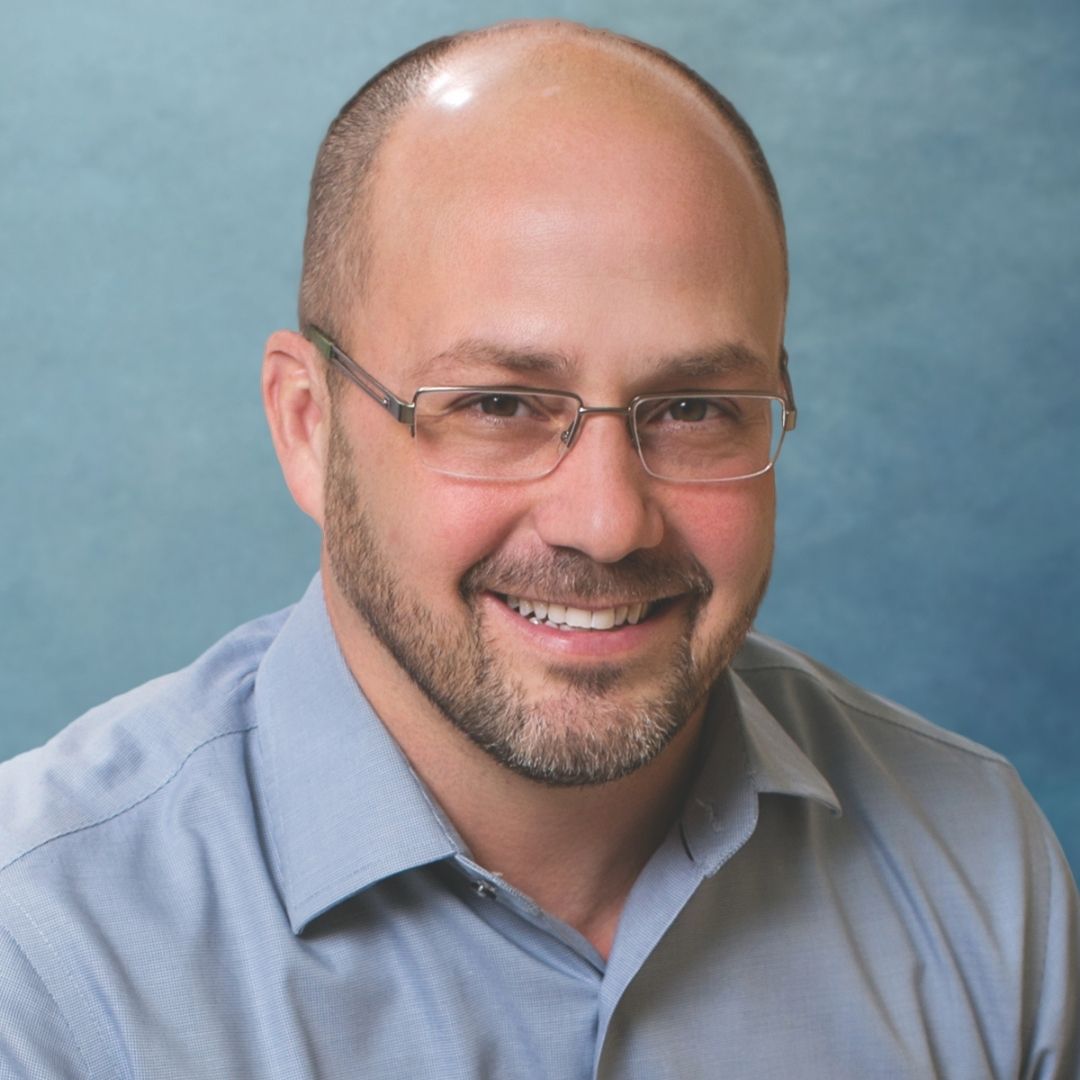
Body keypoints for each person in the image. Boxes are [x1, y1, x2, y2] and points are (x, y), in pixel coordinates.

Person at [1, 19, 1076, 1079]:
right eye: (498, 404)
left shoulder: (977, 865)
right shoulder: (43, 954)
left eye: (694, 408)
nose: (606, 522)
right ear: (309, 427)